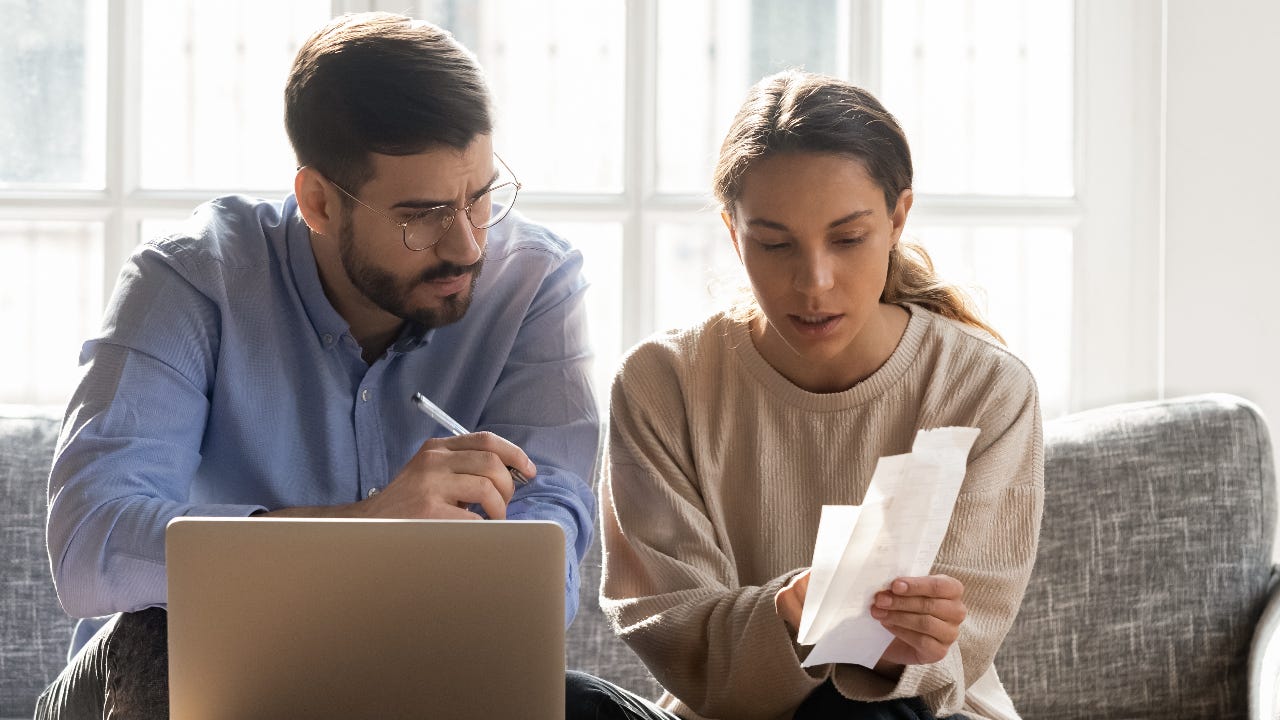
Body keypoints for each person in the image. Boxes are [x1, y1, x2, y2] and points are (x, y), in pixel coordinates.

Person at [36, 12, 605, 718]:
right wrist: (365, 529)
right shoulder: (190, 281)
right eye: (422, 213)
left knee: (585, 704)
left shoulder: (535, 285)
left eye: (481, 196)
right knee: (161, 639)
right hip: (157, 679)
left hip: (405, 665)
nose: (466, 245)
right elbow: (91, 545)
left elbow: (549, 541)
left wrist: (488, 584)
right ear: (319, 202)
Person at [598, 70, 1044, 720]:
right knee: (563, 701)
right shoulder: (660, 383)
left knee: (854, 710)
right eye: (775, 244)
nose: (814, 282)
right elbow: (673, 628)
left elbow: (956, 650)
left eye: (848, 238)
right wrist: (785, 617)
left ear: (897, 219)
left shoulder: (985, 389)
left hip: (909, 713)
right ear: (732, 232)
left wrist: (901, 643)